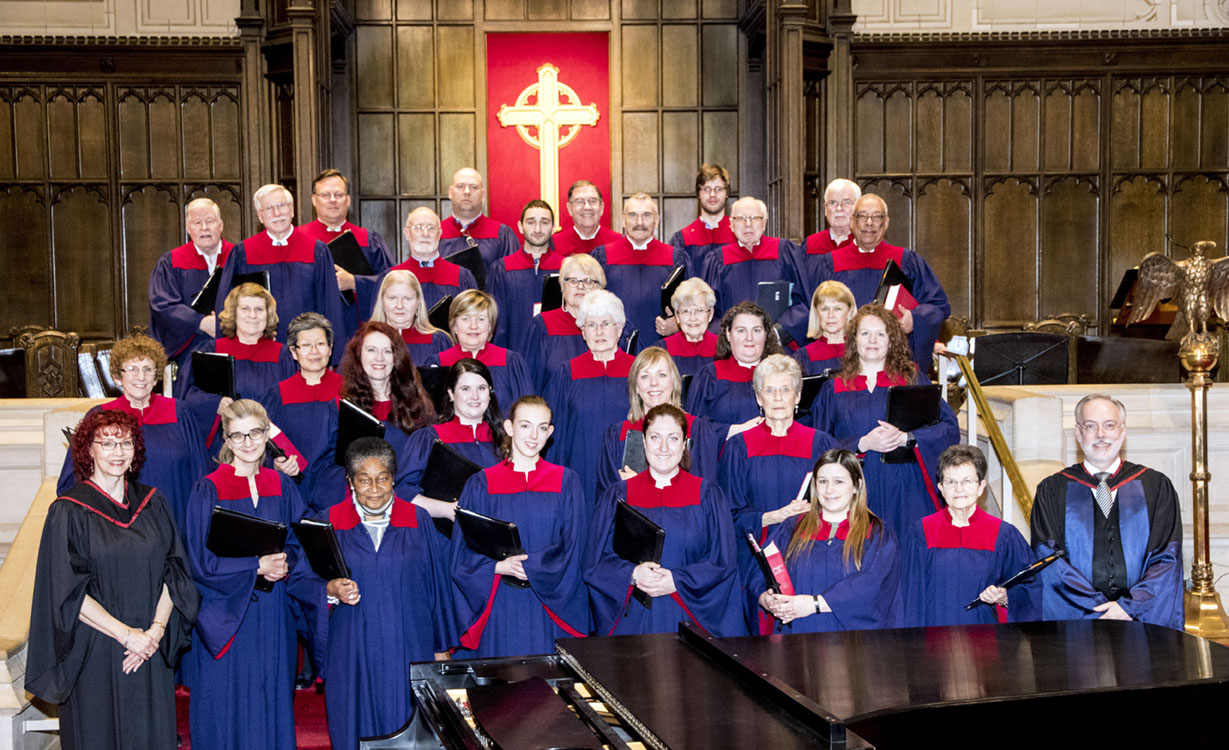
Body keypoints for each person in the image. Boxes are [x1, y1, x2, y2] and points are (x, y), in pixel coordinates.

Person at [27, 410, 199, 750]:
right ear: (87, 450)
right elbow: (65, 589)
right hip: (96, 650)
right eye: (106, 443)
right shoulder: (69, 510)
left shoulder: (153, 502)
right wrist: (127, 636)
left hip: (149, 650)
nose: (117, 451)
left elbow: (175, 572)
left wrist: (155, 632)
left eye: (125, 442)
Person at [184, 399, 323, 750]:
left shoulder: (282, 485)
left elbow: (299, 541)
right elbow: (199, 561)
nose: (248, 443)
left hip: (273, 612)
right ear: (227, 441)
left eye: (255, 433)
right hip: (227, 613)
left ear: (267, 434)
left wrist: (285, 563)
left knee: (270, 693)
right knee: (226, 700)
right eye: (238, 435)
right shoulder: (209, 488)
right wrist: (256, 566)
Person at [321, 437, 455, 750]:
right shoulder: (330, 522)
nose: (375, 489)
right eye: (364, 480)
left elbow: (437, 587)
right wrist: (329, 590)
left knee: (410, 726)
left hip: (409, 645)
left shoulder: (417, 519)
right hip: (354, 647)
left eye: (383, 478)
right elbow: (303, 579)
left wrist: (440, 648)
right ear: (350, 482)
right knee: (356, 725)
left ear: (393, 477)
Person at [586, 404, 744, 637]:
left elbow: (723, 561)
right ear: (644, 441)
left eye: (673, 438)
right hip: (633, 619)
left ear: (684, 443)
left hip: (689, 617)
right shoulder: (619, 495)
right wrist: (632, 574)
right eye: (655, 437)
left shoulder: (707, 495)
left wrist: (677, 580)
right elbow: (595, 561)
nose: (663, 447)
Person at [451, 396, 589, 657]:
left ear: (550, 433)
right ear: (510, 427)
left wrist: (533, 567)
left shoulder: (566, 482)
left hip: (549, 604)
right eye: (525, 426)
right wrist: (497, 566)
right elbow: (462, 553)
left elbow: (573, 548)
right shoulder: (481, 484)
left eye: (542, 427)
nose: (533, 435)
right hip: (500, 603)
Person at [1030, 394, 1183, 628]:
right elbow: (1049, 559)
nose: (1101, 434)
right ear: (1078, 433)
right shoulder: (1052, 490)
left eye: (1109, 425)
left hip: (1140, 619)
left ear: (1122, 431)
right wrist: (1096, 608)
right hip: (1078, 621)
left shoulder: (1156, 486)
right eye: (1090, 426)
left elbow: (1167, 558)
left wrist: (1129, 606)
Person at [809, 305, 959, 544]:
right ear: (853, 339)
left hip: (906, 489)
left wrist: (907, 438)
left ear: (892, 340)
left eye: (881, 334)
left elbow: (948, 429)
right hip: (855, 487)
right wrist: (861, 443)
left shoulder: (911, 381)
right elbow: (818, 445)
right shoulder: (834, 388)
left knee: (907, 556)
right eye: (865, 333)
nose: (872, 340)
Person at [55, 334, 208, 532]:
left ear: (157, 376)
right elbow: (75, 476)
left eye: (147, 369)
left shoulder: (180, 412)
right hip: (119, 528)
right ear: (117, 377)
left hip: (176, 523)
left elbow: (200, 472)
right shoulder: (101, 416)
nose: (141, 377)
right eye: (132, 369)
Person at [751, 449, 901, 634]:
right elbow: (759, 574)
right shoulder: (793, 528)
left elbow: (873, 584)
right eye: (823, 481)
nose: (829, 490)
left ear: (856, 485)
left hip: (850, 645)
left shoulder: (876, 533)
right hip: (796, 637)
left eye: (838, 481)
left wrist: (814, 604)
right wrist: (767, 599)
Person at [810, 193, 950, 373]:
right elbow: (811, 309)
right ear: (852, 221)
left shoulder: (906, 261)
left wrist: (915, 319)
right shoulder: (829, 264)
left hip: (894, 362)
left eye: (877, 217)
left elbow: (938, 305)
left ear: (886, 222)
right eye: (862, 216)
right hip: (843, 361)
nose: (869, 223)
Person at [903, 444, 1041, 627]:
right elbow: (909, 599)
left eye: (967, 481)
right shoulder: (922, 532)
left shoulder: (1003, 535)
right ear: (941, 488)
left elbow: (1029, 589)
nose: (959, 489)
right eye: (951, 482)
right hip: (933, 641)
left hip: (986, 641)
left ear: (981, 486)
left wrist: (1004, 596)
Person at [214, 184, 344, 362]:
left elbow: (330, 304)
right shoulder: (244, 252)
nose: (277, 213)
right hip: (258, 352)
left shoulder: (316, 250)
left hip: (306, 352)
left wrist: (331, 354)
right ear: (260, 216)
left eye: (282, 206)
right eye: (269, 208)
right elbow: (227, 306)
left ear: (292, 210)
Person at [719, 355, 838, 546]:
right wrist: (774, 517)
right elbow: (728, 516)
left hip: (808, 550)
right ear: (759, 398)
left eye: (785, 389)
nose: (778, 398)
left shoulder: (821, 444)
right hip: (755, 555)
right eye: (769, 390)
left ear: (797, 395)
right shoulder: (738, 447)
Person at [594, 347, 727, 500]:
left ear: (673, 383)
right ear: (636, 386)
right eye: (645, 376)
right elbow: (608, 501)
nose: (654, 384)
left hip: (684, 521)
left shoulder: (697, 430)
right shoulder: (617, 435)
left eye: (662, 375)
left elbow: (704, 495)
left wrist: (640, 486)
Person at [179, 282, 298, 449]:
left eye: (259, 309)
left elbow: (292, 409)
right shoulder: (212, 350)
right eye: (245, 309)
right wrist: (214, 404)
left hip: (267, 446)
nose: (252, 315)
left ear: (268, 315)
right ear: (233, 313)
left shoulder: (282, 356)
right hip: (221, 448)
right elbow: (187, 397)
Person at [545, 290, 636, 502]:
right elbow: (556, 432)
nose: (599, 331)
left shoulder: (637, 370)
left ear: (620, 328)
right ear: (583, 332)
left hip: (624, 470)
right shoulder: (567, 373)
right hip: (579, 468)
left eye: (606, 323)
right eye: (591, 325)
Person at [397, 359, 506, 520]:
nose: (474, 396)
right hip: (443, 538)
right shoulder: (429, 438)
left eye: (481, 388)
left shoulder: (505, 441)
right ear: (451, 394)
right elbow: (402, 493)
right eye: (465, 389)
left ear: (490, 392)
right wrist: (449, 510)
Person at [259, 313, 345, 513]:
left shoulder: (348, 390)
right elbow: (264, 445)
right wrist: (277, 464)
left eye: (321, 344)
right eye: (306, 345)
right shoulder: (277, 395)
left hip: (337, 491)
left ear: (330, 348)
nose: (314, 351)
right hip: (291, 489)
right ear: (294, 352)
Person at [297, 169, 394, 341]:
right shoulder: (299, 239)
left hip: (359, 330)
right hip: (313, 332)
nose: (333, 200)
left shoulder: (368, 239)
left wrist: (354, 282)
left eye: (338, 194)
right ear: (314, 200)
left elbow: (391, 282)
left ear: (348, 200)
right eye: (326, 195)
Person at [700, 195, 809, 345]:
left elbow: (804, 302)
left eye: (755, 218)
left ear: (764, 223)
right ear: (731, 224)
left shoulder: (784, 253)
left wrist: (777, 333)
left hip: (779, 347)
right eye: (741, 219)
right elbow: (708, 313)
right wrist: (734, 336)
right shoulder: (717, 261)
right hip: (733, 350)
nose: (748, 224)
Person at [338, 321, 437, 475]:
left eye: (387, 351)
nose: (379, 358)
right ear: (359, 355)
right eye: (371, 350)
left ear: (396, 357)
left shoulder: (417, 404)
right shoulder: (341, 407)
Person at [591, 192, 691, 344]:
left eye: (646, 215)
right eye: (632, 215)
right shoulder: (603, 256)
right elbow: (591, 306)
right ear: (623, 220)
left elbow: (692, 304)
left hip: (661, 349)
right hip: (615, 348)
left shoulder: (675, 258)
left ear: (656, 220)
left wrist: (678, 323)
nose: (640, 222)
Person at [148, 197, 233, 367]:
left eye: (210, 221)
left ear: (221, 225)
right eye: (197, 222)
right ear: (188, 228)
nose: (204, 227)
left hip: (234, 346)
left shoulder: (237, 257)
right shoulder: (172, 262)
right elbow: (163, 304)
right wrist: (200, 322)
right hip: (189, 353)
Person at [422, 290, 533, 414]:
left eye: (481, 319)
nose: (473, 326)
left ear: (490, 326)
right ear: (454, 326)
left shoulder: (511, 362)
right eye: (465, 319)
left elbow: (525, 413)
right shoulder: (438, 363)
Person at [685, 301, 784, 424]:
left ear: (766, 334)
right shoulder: (710, 376)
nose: (749, 338)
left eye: (756, 330)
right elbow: (695, 429)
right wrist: (731, 431)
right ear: (728, 334)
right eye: (741, 330)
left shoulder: (781, 375)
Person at [486, 199, 565, 351]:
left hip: (555, 356)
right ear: (520, 227)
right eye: (530, 222)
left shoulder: (566, 268)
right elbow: (494, 323)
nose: (537, 229)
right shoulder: (501, 269)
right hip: (513, 354)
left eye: (544, 222)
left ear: (553, 227)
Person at [520, 253, 607, 389]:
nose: (580, 286)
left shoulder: (611, 326)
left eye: (588, 281)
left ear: (599, 288)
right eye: (573, 281)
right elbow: (529, 382)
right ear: (562, 286)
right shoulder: (542, 326)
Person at [380, 206, 477, 310]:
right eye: (418, 227)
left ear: (439, 234)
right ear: (407, 233)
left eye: (431, 228)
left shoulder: (461, 277)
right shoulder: (390, 277)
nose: (425, 234)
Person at [438, 167, 519, 272]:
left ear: (483, 195)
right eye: (460, 186)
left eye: (474, 187)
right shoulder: (435, 233)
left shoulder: (501, 234)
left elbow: (512, 277)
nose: (467, 192)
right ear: (450, 193)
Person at [369, 269, 454, 364]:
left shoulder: (439, 342)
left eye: (407, 299)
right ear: (382, 301)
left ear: (418, 302)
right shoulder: (366, 341)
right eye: (392, 298)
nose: (399, 306)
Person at [669, 163, 735, 272]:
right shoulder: (683, 240)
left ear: (726, 193)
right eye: (707, 189)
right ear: (698, 193)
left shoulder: (738, 235)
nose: (712, 194)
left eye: (718, 189)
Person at [650, 277, 719, 377]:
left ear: (710, 314)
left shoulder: (723, 349)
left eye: (699, 310)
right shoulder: (662, 350)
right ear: (677, 316)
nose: (693, 318)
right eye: (685, 311)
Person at [794, 280, 856, 376]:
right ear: (816, 312)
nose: (830, 315)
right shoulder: (803, 356)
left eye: (837, 308)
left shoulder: (862, 350)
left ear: (849, 311)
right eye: (824, 309)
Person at [551, 180, 622, 257]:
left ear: (601, 208)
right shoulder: (554, 244)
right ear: (569, 208)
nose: (587, 207)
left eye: (593, 201)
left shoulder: (619, 242)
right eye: (579, 201)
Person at [802, 178, 860, 256]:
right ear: (826, 209)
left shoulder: (868, 245)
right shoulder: (810, 244)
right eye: (833, 203)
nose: (839, 208)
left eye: (847, 202)